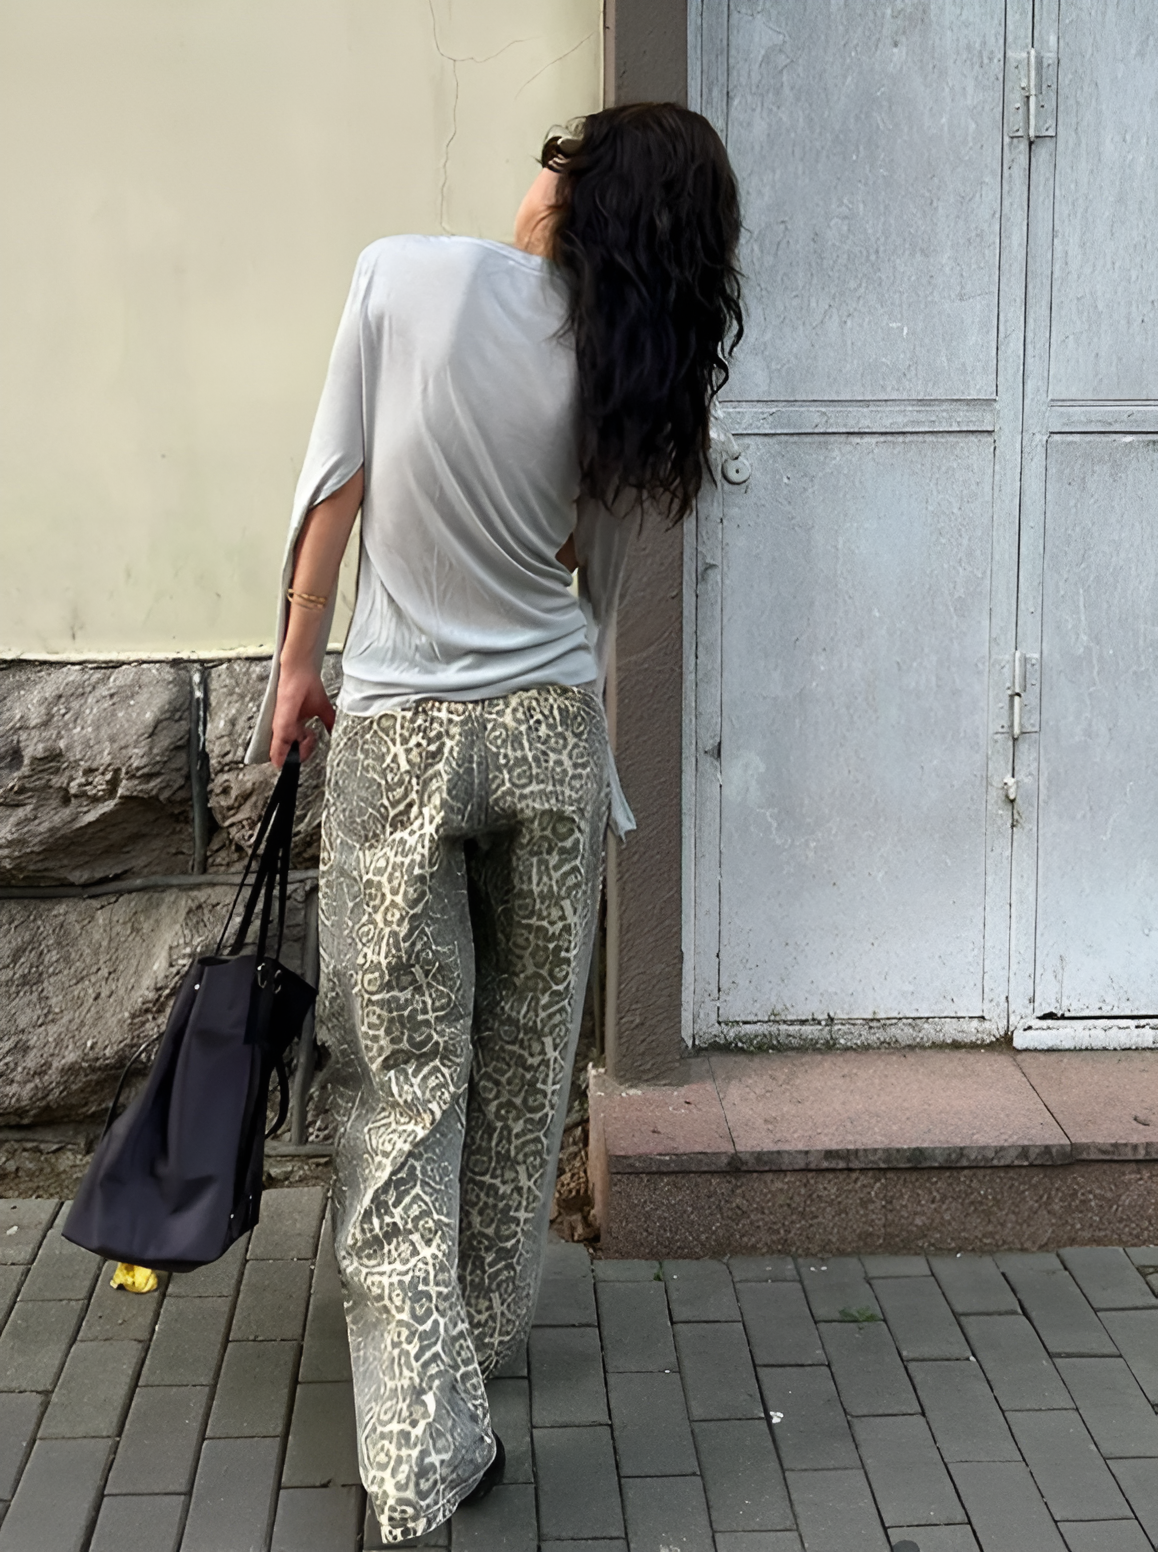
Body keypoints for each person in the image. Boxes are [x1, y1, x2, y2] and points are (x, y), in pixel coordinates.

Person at [246, 101, 743, 1542]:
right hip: (546, 746)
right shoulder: (635, 364)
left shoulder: (403, 273)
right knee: (522, 1075)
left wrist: (296, 668)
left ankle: (416, 1458)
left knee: (401, 1090)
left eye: (554, 155)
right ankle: (473, 1339)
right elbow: (594, 601)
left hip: (403, 735)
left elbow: (332, 493)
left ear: (575, 184)